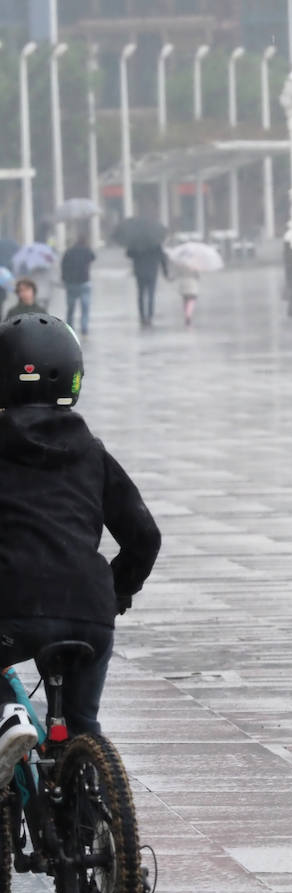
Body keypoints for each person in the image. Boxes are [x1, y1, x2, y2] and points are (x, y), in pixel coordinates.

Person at [0, 313, 161, 780]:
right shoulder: (91, 450)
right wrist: (117, 589)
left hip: (13, 605)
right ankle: (95, 826)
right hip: (90, 611)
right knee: (81, 724)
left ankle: (8, 714)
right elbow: (144, 535)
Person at [126, 237, 169, 326]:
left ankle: (142, 316)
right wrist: (165, 272)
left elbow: (128, 254)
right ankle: (149, 316)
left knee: (141, 294)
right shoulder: (156, 244)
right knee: (151, 294)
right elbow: (162, 258)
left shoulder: (137, 243)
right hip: (152, 272)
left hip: (140, 272)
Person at [60, 234, 96, 336]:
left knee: (71, 307)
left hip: (71, 283)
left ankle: (69, 327)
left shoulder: (69, 252)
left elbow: (63, 265)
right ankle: (84, 327)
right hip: (84, 281)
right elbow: (93, 257)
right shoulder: (87, 250)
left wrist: (64, 278)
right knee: (85, 307)